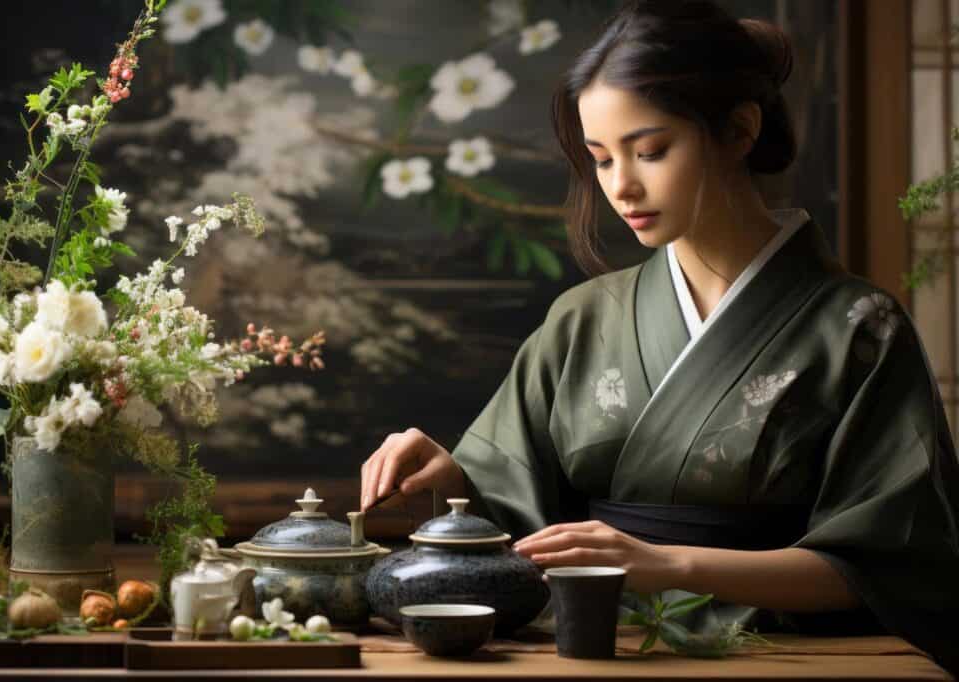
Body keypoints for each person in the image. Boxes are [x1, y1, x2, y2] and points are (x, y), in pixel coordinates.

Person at [359, 0, 959, 672]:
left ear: (738, 130)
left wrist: (665, 563)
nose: (622, 186)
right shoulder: (583, 319)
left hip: (780, 657)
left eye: (650, 151)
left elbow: (892, 561)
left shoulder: (858, 330)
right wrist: (452, 481)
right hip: (581, 650)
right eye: (602, 159)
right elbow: (513, 523)